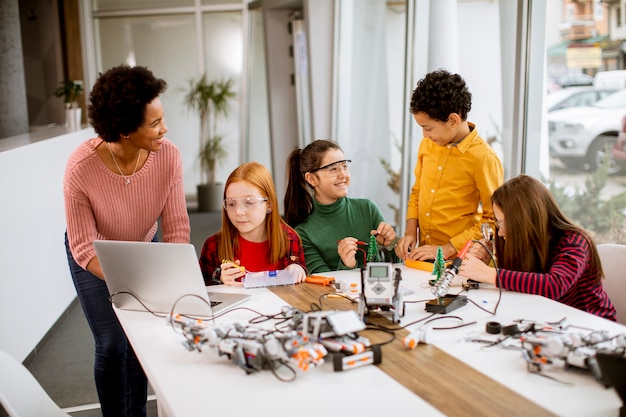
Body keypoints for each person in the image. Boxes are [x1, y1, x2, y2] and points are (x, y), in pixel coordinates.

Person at [64, 64, 191, 417]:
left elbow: (177, 226)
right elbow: (83, 247)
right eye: (154, 123)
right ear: (123, 129)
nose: (164, 129)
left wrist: (173, 279)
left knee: (139, 342)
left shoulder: (169, 156)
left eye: (162, 119)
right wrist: (135, 281)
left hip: (140, 248)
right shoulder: (80, 169)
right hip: (94, 254)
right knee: (111, 344)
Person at [459, 174, 616, 321]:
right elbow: (521, 283)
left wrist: (489, 274)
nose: (500, 232)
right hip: (547, 320)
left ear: (525, 221)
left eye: (504, 223)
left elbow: (554, 286)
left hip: (590, 326)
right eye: (498, 222)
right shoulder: (527, 242)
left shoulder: (575, 241)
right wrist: (486, 261)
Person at [395, 69, 504, 262]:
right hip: (424, 257)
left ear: (453, 120)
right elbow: (417, 191)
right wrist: (411, 231)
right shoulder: (427, 145)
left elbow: (493, 221)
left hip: (461, 262)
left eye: (428, 128)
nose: (424, 135)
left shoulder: (484, 158)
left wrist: (448, 248)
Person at [284, 139, 398, 273]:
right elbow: (324, 285)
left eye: (345, 166)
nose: (343, 174)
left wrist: (390, 245)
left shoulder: (367, 208)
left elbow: (397, 268)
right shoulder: (304, 233)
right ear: (312, 179)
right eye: (333, 169)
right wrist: (346, 265)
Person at [199, 161, 307, 286]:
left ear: (269, 205)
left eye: (249, 202)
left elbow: (301, 289)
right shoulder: (213, 246)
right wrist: (220, 279)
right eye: (231, 204)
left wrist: (299, 269)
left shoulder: (289, 239)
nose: (239, 212)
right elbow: (200, 296)